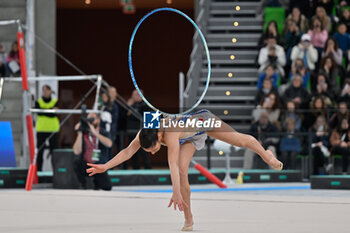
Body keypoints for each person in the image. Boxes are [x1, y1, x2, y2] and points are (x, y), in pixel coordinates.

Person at [86, 109, 283, 231]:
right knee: (182, 171)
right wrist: (105, 166)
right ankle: (188, 219)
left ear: (159, 135)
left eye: (154, 148)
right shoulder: (146, 131)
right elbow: (128, 151)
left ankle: (265, 154)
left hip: (202, 121)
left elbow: (170, 162)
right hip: (187, 138)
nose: (154, 153)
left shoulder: (169, 130)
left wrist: (176, 191)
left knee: (239, 140)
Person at [73, 112, 112, 190]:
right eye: (88, 119)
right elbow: (76, 151)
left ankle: (97, 183)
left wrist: (95, 133)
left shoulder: (103, 132)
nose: (90, 121)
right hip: (86, 164)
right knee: (76, 162)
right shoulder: (84, 133)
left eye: (92, 119)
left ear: (98, 120)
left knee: (107, 187)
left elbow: (109, 144)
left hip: (99, 165)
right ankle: (82, 183)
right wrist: (80, 133)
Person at [35, 85, 59, 171]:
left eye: (46, 90)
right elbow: (39, 113)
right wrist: (50, 110)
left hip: (53, 129)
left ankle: (56, 171)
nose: (45, 92)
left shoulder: (55, 101)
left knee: (54, 152)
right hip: (41, 129)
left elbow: (54, 114)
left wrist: (44, 110)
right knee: (40, 152)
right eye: (43, 90)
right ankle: (38, 171)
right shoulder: (38, 101)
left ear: (50, 91)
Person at [126, 89, 152, 169]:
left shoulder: (145, 104)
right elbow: (126, 115)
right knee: (133, 151)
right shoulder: (131, 104)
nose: (132, 97)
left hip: (143, 131)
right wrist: (128, 106)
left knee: (144, 150)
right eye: (132, 95)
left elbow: (146, 115)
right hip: (132, 131)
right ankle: (135, 168)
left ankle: (148, 168)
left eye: (135, 95)